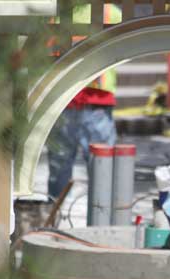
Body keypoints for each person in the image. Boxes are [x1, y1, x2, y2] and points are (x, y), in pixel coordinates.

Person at [46, 4, 121, 199]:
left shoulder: (54, 11)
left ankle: (54, 219)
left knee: (59, 170)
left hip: (66, 100)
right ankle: (104, 222)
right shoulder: (109, 11)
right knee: (104, 169)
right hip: (92, 100)